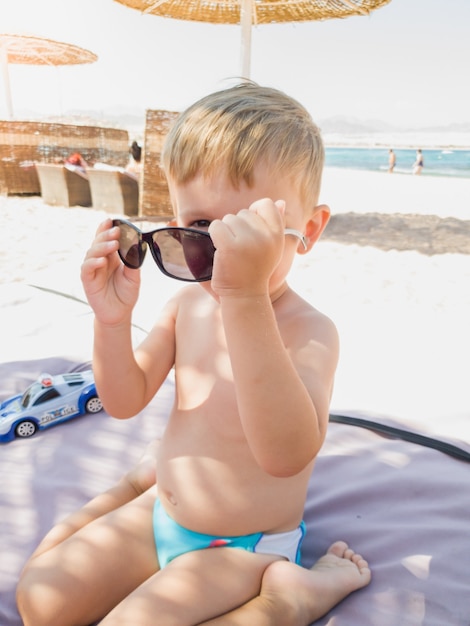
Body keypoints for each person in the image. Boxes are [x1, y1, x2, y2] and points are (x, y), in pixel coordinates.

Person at [17, 82, 371, 626]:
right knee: (40, 602)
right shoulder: (187, 306)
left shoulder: (311, 332)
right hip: (163, 513)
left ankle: (291, 597)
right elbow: (123, 400)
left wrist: (246, 299)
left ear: (309, 231)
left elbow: (286, 454)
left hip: (240, 548)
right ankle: (137, 484)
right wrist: (111, 322)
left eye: (248, 228)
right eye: (201, 228)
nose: (220, 252)